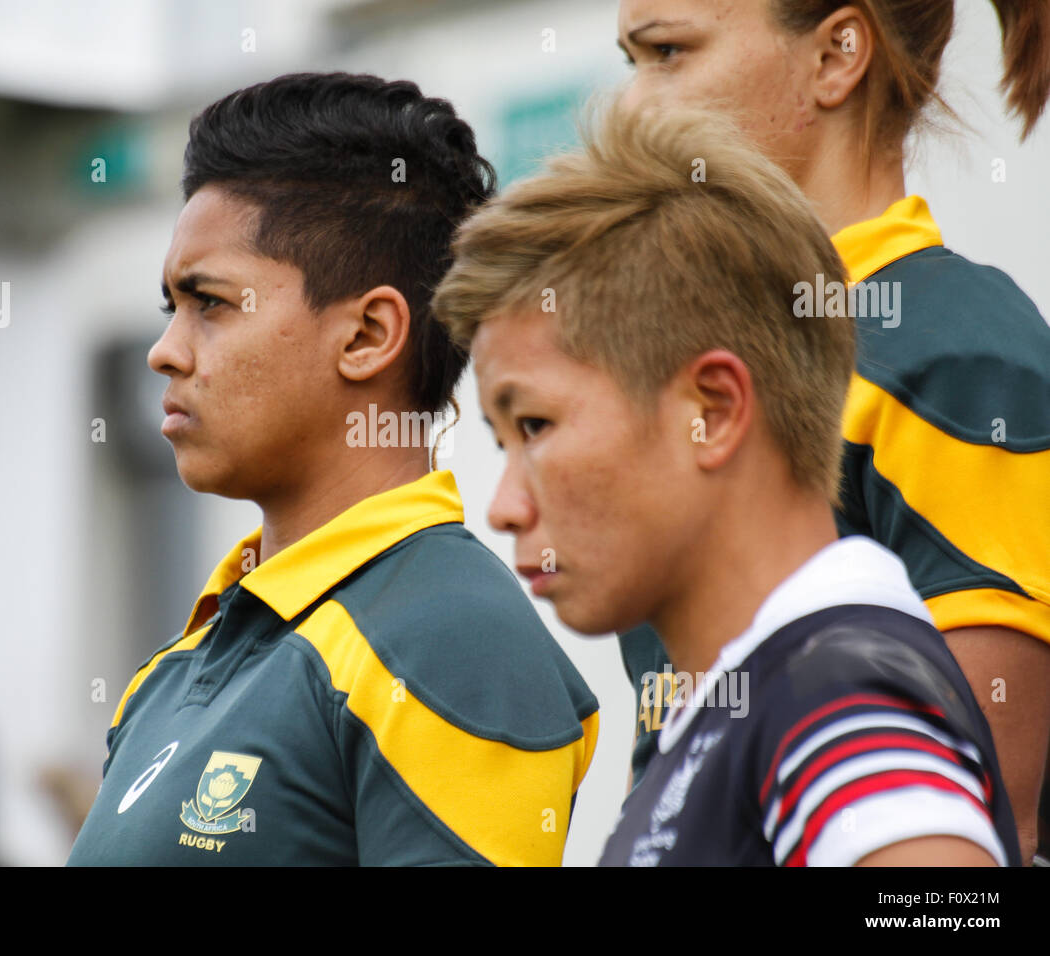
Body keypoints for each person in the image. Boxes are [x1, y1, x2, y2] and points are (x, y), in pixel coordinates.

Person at [432, 100, 1020, 865]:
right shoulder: (755, 700)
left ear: (711, 411)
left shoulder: (836, 695)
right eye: (501, 442)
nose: (504, 507)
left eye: (536, 427)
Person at [65, 72, 599, 867]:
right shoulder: (173, 670)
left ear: (367, 335)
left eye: (209, 302)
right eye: (168, 308)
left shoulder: (448, 635)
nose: (165, 350)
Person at [613, 0, 1050, 863]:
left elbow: (981, 845)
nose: (630, 108)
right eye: (630, 61)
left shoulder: (951, 351)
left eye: (668, 53)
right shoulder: (704, 367)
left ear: (837, 56)